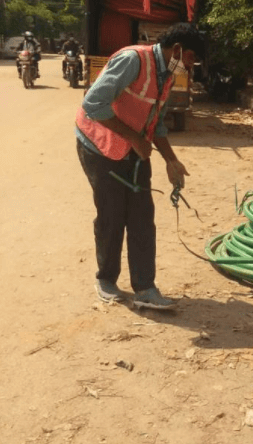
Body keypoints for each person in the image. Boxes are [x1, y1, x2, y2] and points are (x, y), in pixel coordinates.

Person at [76, 22, 204, 310]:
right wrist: (134, 138)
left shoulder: (168, 75)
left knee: (142, 216)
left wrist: (172, 160)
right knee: (112, 214)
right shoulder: (132, 60)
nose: (190, 66)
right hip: (98, 144)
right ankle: (106, 280)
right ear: (178, 50)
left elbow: (156, 124)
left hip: (133, 148)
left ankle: (145, 288)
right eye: (190, 59)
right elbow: (93, 104)